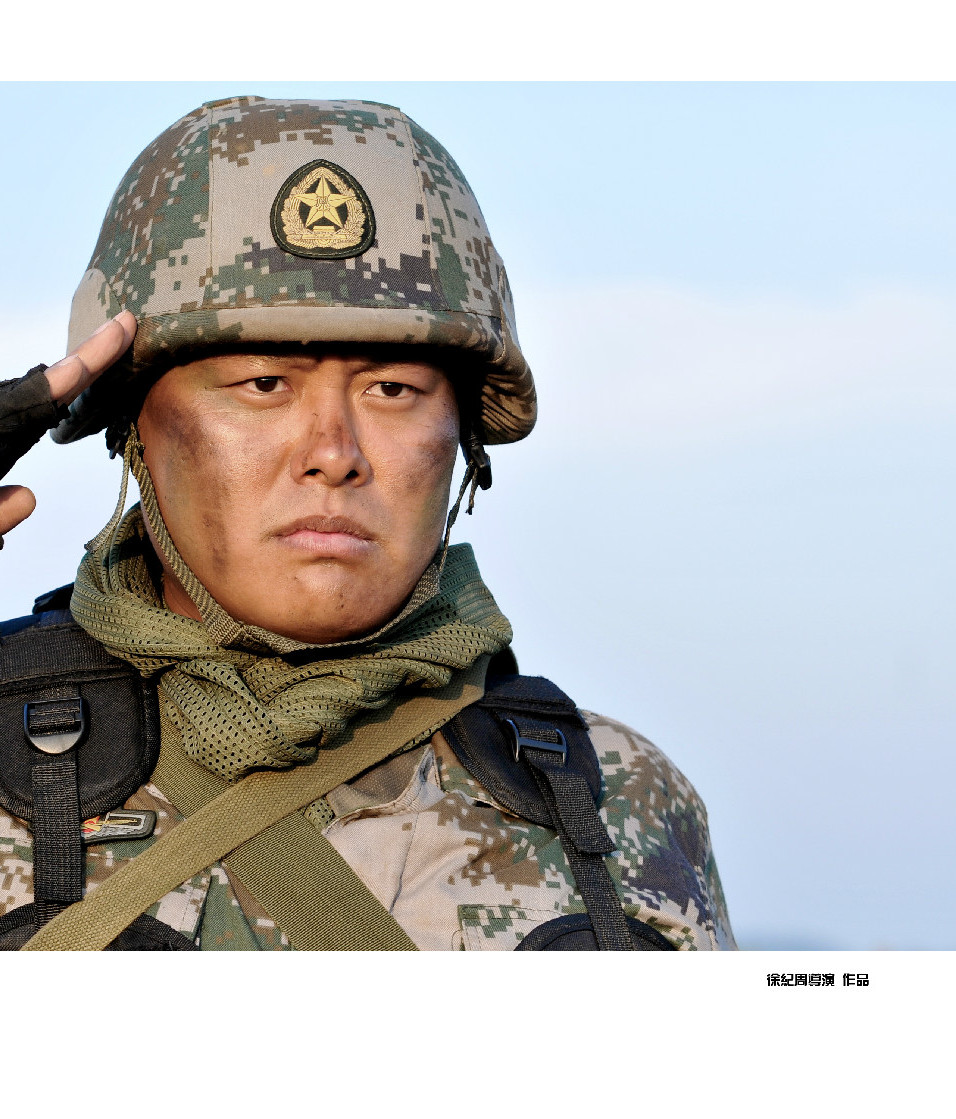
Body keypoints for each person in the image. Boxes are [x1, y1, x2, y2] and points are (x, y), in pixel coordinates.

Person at [0, 95, 735, 951]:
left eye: (392, 388)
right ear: (135, 426)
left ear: (463, 439)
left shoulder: (617, 798)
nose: (334, 453)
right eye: (263, 384)